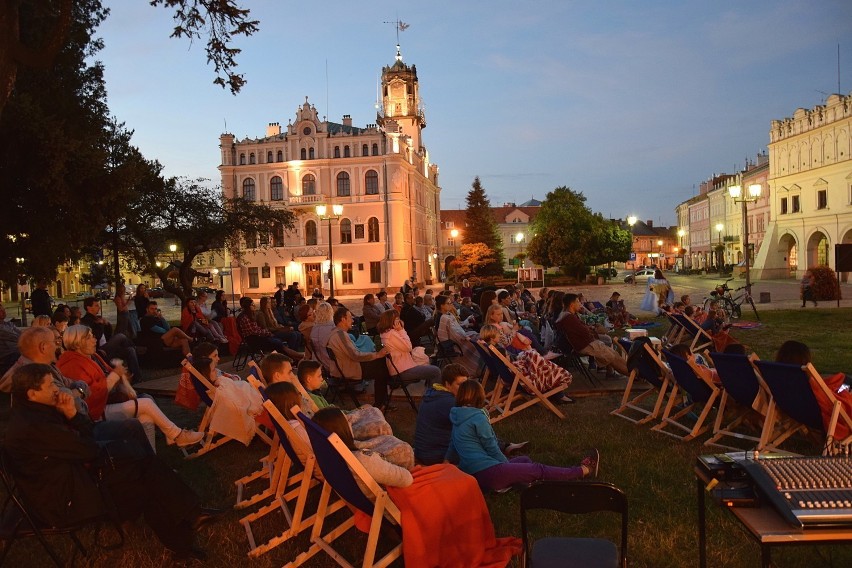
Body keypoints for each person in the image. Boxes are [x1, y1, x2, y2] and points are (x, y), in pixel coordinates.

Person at [5, 363, 221, 561]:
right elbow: (89, 449)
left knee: (144, 467)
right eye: (50, 384)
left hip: (69, 480)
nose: (56, 388)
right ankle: (189, 524)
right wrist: (73, 415)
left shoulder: (32, 412)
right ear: (32, 393)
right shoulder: (36, 428)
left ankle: (188, 527)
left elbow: (87, 441)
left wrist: (74, 418)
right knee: (146, 479)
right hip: (66, 502)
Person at [58, 325, 204, 450]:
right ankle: (177, 435)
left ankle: (150, 457)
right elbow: (90, 396)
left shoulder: (93, 357)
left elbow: (108, 376)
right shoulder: (72, 364)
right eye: (90, 337)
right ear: (78, 342)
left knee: (146, 415)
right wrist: (115, 376)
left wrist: (121, 378)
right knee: (146, 403)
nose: (95, 339)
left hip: (107, 403)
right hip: (94, 415)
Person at [448, 381, 599, 492]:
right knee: (538, 469)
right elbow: (491, 446)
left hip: (476, 475)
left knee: (525, 460)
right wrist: (505, 465)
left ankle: (517, 483)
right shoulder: (477, 418)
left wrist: (444, 466)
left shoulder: (457, 417)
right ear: (479, 396)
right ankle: (583, 471)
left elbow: (452, 449)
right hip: (490, 474)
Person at [480, 324, 573, 401]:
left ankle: (558, 392)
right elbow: (509, 362)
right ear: (492, 337)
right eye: (497, 334)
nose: (500, 335)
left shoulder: (491, 348)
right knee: (540, 363)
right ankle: (559, 385)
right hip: (516, 373)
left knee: (535, 357)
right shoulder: (498, 349)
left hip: (510, 372)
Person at [326, 307, 390, 408]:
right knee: (381, 367)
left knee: (381, 364)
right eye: (350, 318)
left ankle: (382, 402)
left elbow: (353, 353)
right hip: (349, 369)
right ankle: (380, 404)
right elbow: (355, 355)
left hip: (347, 366)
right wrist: (376, 355)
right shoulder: (340, 335)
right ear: (343, 319)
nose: (352, 320)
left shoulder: (336, 333)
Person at [556, 293, 627, 377]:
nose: (580, 304)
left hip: (586, 343)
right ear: (572, 305)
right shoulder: (569, 318)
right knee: (611, 356)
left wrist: (591, 328)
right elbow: (584, 332)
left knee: (614, 353)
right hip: (584, 345)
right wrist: (594, 329)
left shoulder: (567, 315)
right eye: (578, 302)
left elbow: (582, 328)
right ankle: (630, 374)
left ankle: (632, 372)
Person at [80, 297, 142, 383]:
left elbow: (107, 335)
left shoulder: (98, 318)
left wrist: (107, 324)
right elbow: (96, 336)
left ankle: (137, 377)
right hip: (99, 350)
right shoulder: (86, 321)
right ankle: (136, 347)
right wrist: (100, 325)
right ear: (88, 308)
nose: (99, 307)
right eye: (96, 305)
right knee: (120, 336)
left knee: (130, 350)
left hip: (107, 347)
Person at [377, 309, 441, 385]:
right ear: (391, 321)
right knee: (436, 371)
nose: (400, 321)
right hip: (402, 371)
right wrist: (401, 330)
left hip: (401, 368)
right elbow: (408, 347)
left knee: (429, 363)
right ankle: (435, 395)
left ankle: (431, 392)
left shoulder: (387, 333)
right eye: (397, 319)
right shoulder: (391, 334)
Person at [434, 295, 481, 376]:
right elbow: (452, 334)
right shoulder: (444, 318)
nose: (450, 305)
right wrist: (465, 337)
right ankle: (479, 367)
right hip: (453, 344)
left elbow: (457, 328)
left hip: (458, 338)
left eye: (450, 303)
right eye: (448, 303)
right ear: (442, 305)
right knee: (478, 341)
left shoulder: (448, 315)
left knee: (476, 335)